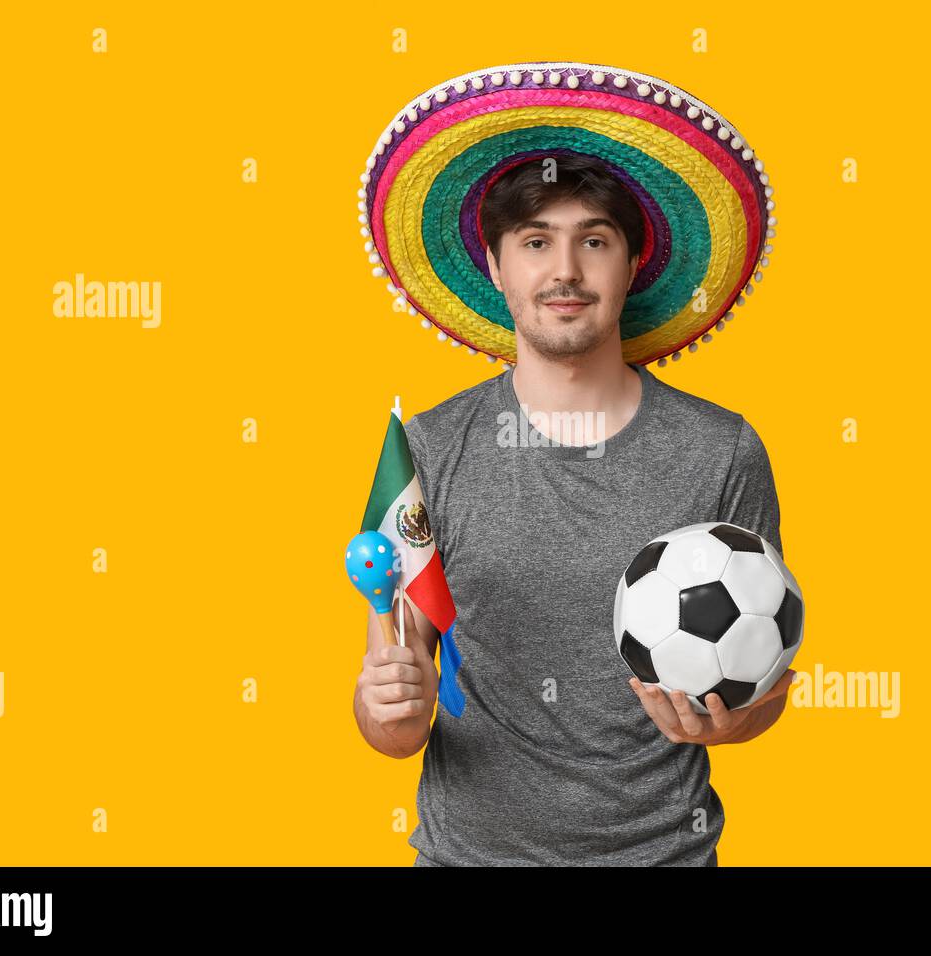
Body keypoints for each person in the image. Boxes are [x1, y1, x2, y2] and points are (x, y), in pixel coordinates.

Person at [352, 63, 789, 865]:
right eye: (535, 242)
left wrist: (735, 718)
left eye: (593, 241)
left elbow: (767, 680)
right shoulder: (433, 445)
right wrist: (385, 710)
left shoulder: (721, 449)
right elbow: (395, 700)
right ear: (495, 267)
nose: (565, 272)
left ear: (630, 265)